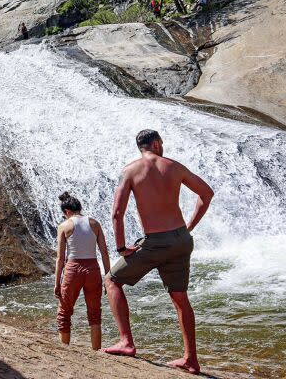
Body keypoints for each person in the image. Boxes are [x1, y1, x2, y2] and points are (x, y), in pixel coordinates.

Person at [102, 130, 214, 375]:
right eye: (162, 143)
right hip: (181, 240)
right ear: (155, 143)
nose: (163, 147)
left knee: (111, 280)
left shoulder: (130, 170)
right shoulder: (175, 167)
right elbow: (207, 194)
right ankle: (191, 360)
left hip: (155, 243)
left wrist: (121, 247)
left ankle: (126, 342)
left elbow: (116, 214)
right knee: (180, 299)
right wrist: (189, 226)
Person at [54, 192, 110, 350]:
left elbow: (60, 258)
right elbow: (104, 253)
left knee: (64, 312)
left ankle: (64, 350)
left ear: (67, 212)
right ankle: (96, 351)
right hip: (93, 269)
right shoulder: (94, 223)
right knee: (94, 313)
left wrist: (56, 283)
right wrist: (108, 277)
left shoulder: (65, 226)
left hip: (73, 269)